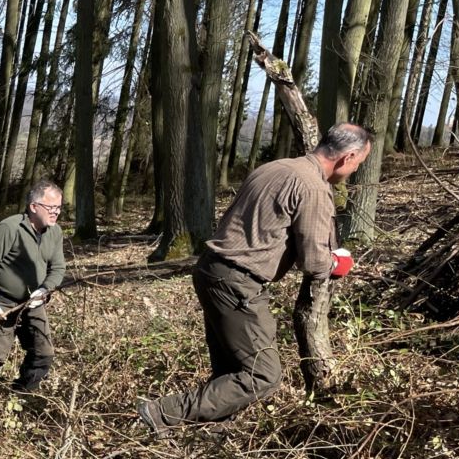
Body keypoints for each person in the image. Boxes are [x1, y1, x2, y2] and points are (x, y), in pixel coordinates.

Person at [138, 123, 372, 434]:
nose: (355, 170)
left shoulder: (276, 167)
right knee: (262, 375)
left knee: (231, 371)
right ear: (348, 157)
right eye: (358, 163)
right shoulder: (313, 187)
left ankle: (210, 439)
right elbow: (314, 262)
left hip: (211, 270)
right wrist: (339, 262)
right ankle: (161, 413)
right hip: (237, 281)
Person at [0, 180, 67, 394]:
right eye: (51, 207)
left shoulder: (55, 232)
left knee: (43, 353)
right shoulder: (10, 228)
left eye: (59, 207)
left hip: (33, 303)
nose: (56, 212)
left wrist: (45, 289)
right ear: (34, 206)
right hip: (3, 303)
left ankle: (22, 394)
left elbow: (58, 267)